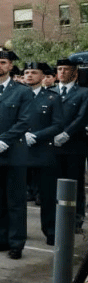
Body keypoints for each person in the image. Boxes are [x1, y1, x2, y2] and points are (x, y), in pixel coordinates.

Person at [0, 50, 33, 260]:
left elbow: (25, 121)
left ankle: (16, 242)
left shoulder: (22, 91)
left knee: (15, 201)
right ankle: (1, 238)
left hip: (14, 153)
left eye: (3, 62)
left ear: (11, 66)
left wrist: (5, 140)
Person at [20, 62, 63, 245]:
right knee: (18, 197)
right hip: (20, 152)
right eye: (27, 72)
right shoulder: (17, 95)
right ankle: (18, 233)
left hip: (43, 151)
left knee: (47, 195)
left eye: (34, 72)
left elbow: (58, 124)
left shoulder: (52, 97)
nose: (29, 75)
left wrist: (36, 136)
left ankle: (51, 230)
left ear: (42, 76)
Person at [52, 58, 88, 229]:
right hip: (53, 146)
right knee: (54, 183)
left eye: (66, 69)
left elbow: (82, 117)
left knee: (75, 183)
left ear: (75, 72)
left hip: (74, 145)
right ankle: (57, 218)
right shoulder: (50, 91)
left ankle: (76, 218)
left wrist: (67, 133)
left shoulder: (83, 92)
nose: (62, 72)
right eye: (60, 69)